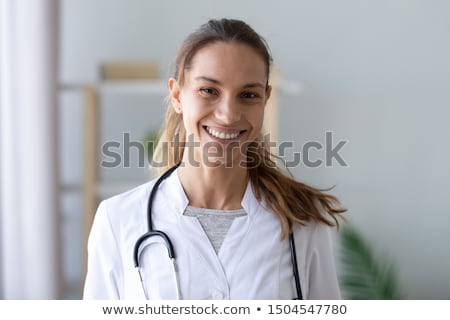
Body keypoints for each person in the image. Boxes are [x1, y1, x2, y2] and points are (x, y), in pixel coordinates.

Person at [83, 18, 346, 300]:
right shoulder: (117, 219)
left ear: (265, 100)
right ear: (176, 95)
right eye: (209, 91)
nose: (228, 115)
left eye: (248, 95)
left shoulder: (304, 221)